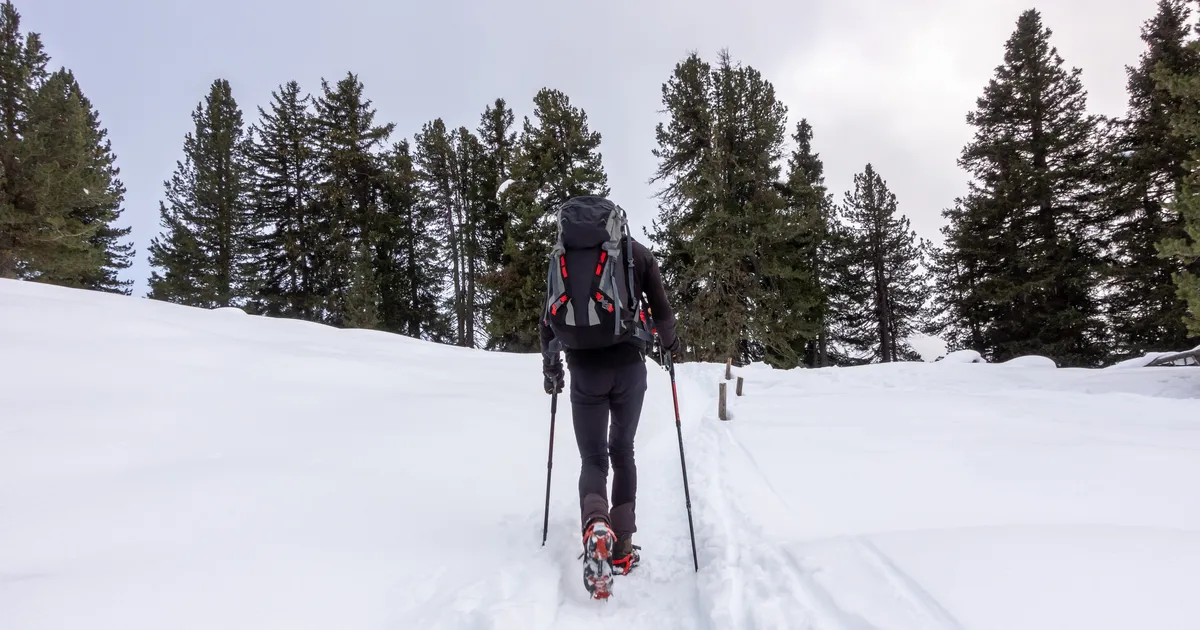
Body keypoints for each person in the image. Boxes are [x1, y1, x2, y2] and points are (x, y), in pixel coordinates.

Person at [539, 195, 679, 578]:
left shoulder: (561, 258)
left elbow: (548, 322)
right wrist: (670, 348)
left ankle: (595, 523)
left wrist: (552, 368)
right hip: (629, 367)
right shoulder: (636, 254)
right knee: (622, 452)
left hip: (585, 371)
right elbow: (663, 312)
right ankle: (622, 547)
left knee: (593, 458)